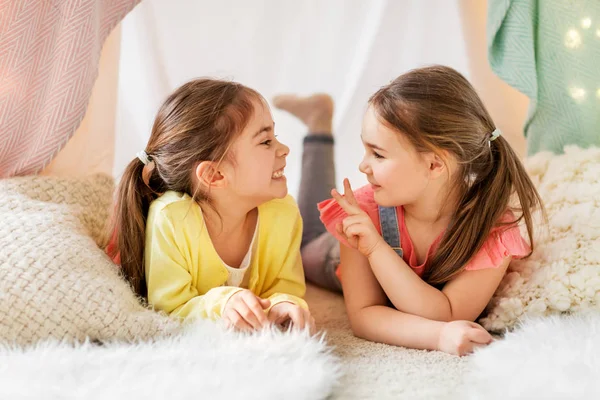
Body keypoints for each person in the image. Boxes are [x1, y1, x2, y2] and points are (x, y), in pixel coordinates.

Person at [274, 65, 544, 355]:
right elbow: (365, 315)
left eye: (377, 154)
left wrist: (442, 328)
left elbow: (448, 314)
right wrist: (438, 336)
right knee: (305, 241)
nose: (363, 165)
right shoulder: (366, 214)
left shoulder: (491, 229)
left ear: (434, 165)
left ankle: (318, 121)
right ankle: (318, 126)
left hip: (374, 240)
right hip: (336, 255)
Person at [107, 78, 315, 333]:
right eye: (265, 141)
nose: (284, 149)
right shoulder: (172, 219)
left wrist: (283, 305)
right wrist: (223, 304)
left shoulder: (283, 212)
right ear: (214, 175)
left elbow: (285, 288)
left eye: (276, 136)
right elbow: (168, 311)